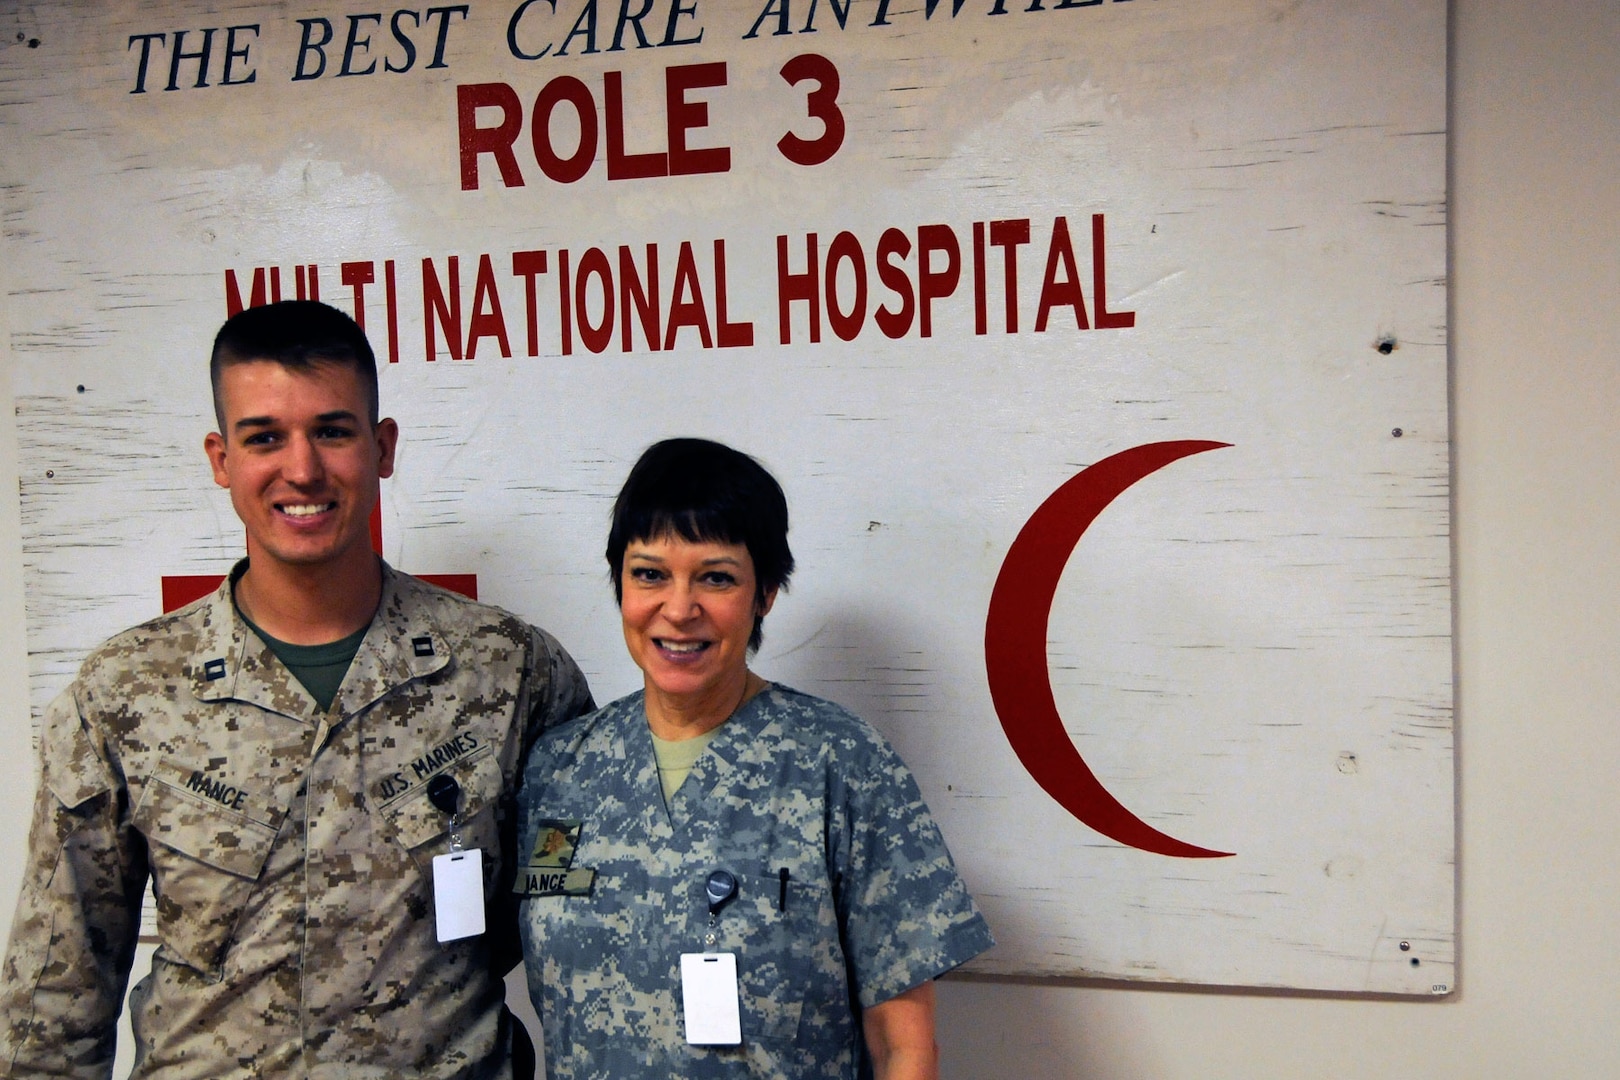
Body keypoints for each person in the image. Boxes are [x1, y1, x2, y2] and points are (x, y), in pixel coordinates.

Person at [0, 300, 593, 1078]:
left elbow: (572, 924)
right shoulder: (126, 692)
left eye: (332, 431)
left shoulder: (508, 670)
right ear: (221, 459)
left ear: (382, 447)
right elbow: (57, 993)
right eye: (265, 438)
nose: (303, 469)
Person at [515, 438, 993, 1080]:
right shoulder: (561, 770)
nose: (678, 609)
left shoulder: (841, 765)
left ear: (764, 592)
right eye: (649, 573)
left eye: (716, 578)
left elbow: (903, 1048)